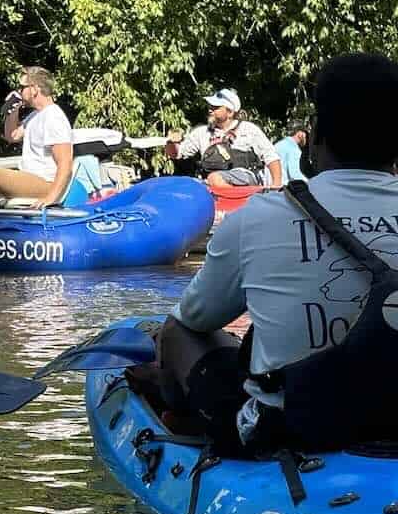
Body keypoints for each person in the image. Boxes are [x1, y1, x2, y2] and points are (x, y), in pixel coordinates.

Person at [152, 53, 398, 454]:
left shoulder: (258, 217)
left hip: (297, 427)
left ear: (316, 135)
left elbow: (194, 319)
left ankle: (181, 420)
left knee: (179, 330)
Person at [0, 66, 74, 208]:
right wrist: (13, 110)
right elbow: (12, 135)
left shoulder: (54, 117)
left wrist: (50, 197)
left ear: (34, 89)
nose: (19, 91)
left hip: (45, 183)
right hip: (29, 178)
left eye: (22, 87)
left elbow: (65, 164)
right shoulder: (35, 116)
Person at [167, 88, 281, 188]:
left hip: (244, 180)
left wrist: (276, 185)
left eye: (216, 107)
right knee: (184, 185)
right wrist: (171, 142)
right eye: (210, 106)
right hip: (211, 182)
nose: (210, 109)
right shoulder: (201, 132)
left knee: (215, 179)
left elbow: (271, 156)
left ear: (230, 112)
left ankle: (243, 201)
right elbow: (176, 154)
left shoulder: (249, 129)